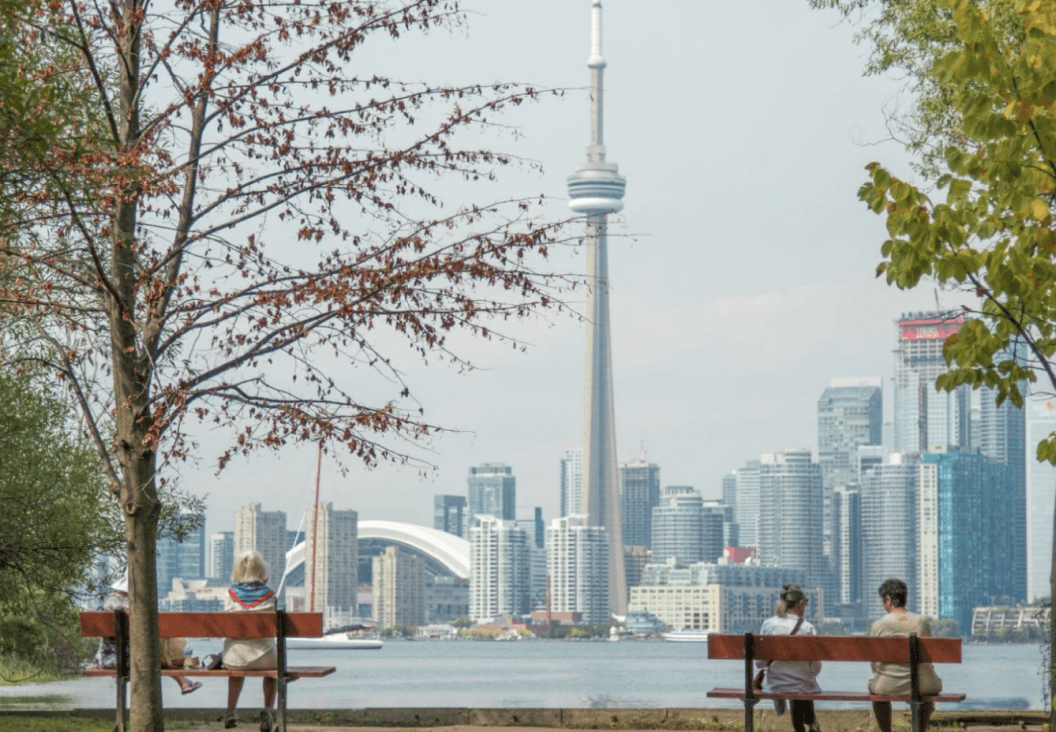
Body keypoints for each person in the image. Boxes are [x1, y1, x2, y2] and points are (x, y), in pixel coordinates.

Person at [93, 575, 203, 695]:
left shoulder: (108, 602)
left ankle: (184, 682)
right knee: (157, 656)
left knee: (155, 655)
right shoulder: (136, 605)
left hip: (106, 658)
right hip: (133, 660)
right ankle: (184, 680)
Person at [868, 578, 943, 732]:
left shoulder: (879, 625)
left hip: (888, 684)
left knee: (875, 689)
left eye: (883, 602)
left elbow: (874, 662)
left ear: (888, 600)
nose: (883, 606)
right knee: (927, 689)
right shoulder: (922, 622)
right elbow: (928, 658)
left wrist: (881, 674)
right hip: (923, 684)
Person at [223, 551, 278, 731]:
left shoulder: (230, 594)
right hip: (266, 658)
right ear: (262, 570)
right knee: (272, 672)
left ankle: (231, 711)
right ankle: (268, 710)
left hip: (235, 658)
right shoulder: (270, 595)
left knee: (236, 669)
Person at [757, 584, 822, 732]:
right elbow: (816, 667)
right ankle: (811, 725)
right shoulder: (808, 628)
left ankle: (803, 727)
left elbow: (759, 663)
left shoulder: (768, 625)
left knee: (799, 685)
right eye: (804, 604)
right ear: (800, 604)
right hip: (802, 685)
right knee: (803, 684)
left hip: (774, 684)